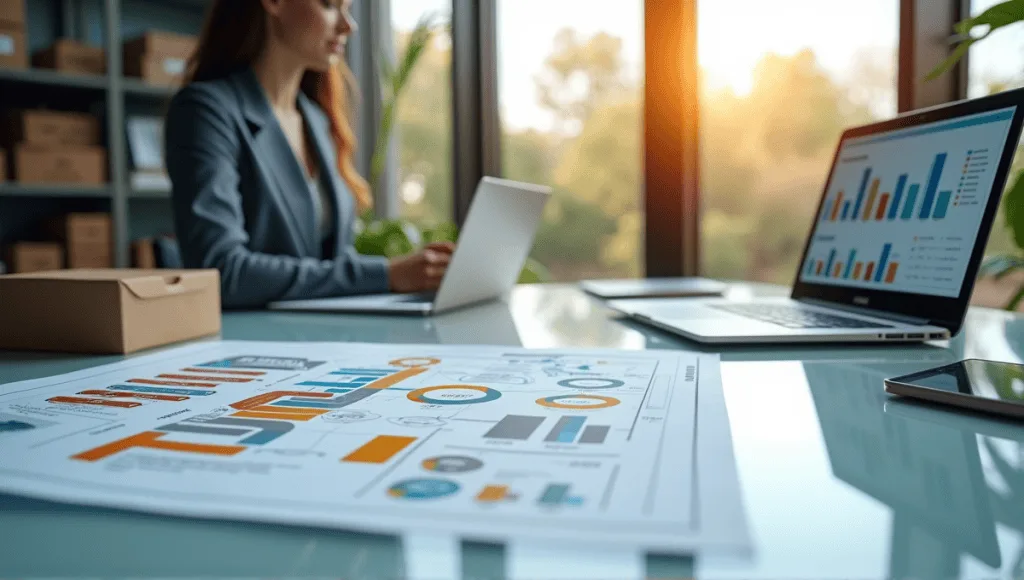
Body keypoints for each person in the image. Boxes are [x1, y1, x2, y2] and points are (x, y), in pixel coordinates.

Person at [165, 0, 453, 308]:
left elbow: (330, 260)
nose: (348, 25)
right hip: (257, 344)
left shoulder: (315, 119)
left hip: (325, 337)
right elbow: (223, 270)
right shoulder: (206, 112)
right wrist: (386, 274)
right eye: (330, 5)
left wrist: (413, 277)